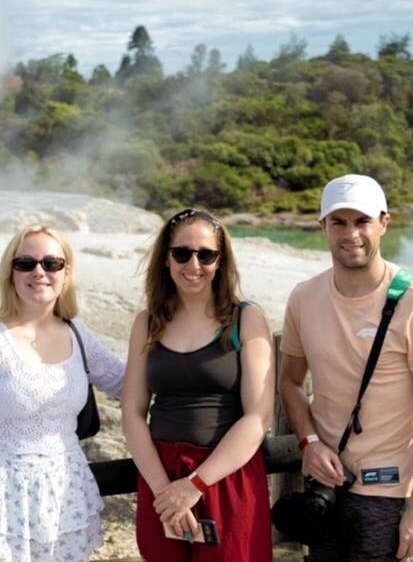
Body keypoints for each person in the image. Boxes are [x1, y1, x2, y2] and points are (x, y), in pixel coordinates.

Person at [279, 174, 413, 561]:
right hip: (326, 487)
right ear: (322, 228)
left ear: (384, 223)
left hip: (388, 494)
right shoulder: (304, 297)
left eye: (362, 221)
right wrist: (309, 444)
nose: (351, 234)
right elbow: (291, 382)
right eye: (339, 222)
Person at [0, 225, 125, 562]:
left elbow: (124, 382)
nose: (39, 272)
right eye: (25, 263)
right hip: (1, 500)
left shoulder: (77, 332)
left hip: (66, 492)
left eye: (51, 263)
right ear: (10, 273)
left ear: (66, 272)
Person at [121, 208, 274, 561]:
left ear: (220, 261)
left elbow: (259, 417)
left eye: (206, 254)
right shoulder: (147, 323)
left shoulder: (245, 318)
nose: (194, 264)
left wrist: (195, 485)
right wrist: (167, 494)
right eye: (182, 253)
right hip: (160, 475)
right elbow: (131, 413)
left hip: (225, 475)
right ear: (166, 259)